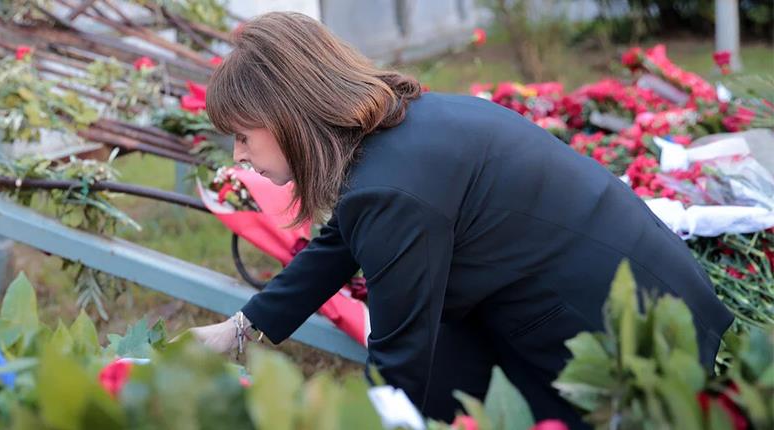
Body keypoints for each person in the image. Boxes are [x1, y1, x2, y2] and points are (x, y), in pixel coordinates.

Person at [189, 12, 733, 427]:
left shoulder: (391, 188)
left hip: (618, 331)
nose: (238, 157)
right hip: (605, 292)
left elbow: (398, 361)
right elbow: (341, 243)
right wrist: (243, 328)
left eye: (243, 136)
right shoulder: (396, 136)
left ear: (291, 117)